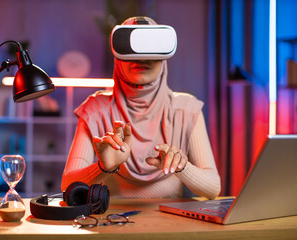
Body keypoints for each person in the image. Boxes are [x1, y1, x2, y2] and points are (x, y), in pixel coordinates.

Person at [61, 16, 221, 199]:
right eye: (133, 49)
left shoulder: (186, 109)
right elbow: (68, 186)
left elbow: (213, 189)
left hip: (171, 223)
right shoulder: (95, 110)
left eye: (152, 49)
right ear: (118, 57)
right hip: (112, 222)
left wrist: (182, 167)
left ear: (163, 57)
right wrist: (103, 168)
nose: (143, 57)